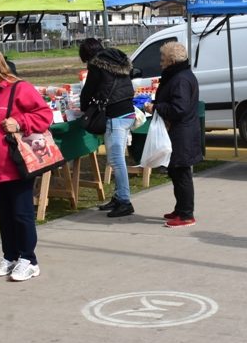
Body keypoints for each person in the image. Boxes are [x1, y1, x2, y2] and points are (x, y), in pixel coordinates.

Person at [0, 47, 53, 282]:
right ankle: (10, 255)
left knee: (21, 213)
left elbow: (45, 114)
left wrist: (20, 122)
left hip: (16, 164)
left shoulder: (19, 88)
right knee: (4, 214)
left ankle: (29, 259)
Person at [144, 42, 202, 228]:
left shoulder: (180, 79)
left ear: (171, 60)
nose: (160, 63)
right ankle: (181, 208)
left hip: (182, 132)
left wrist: (156, 107)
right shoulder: (179, 76)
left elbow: (179, 108)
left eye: (163, 59)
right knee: (176, 172)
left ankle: (186, 214)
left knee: (182, 173)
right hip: (179, 131)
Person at [80, 45, 136, 218]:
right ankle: (119, 197)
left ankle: (125, 201)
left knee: (116, 160)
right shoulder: (118, 60)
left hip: (115, 115)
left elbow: (88, 90)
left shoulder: (97, 65)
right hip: (128, 111)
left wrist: (84, 108)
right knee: (116, 159)